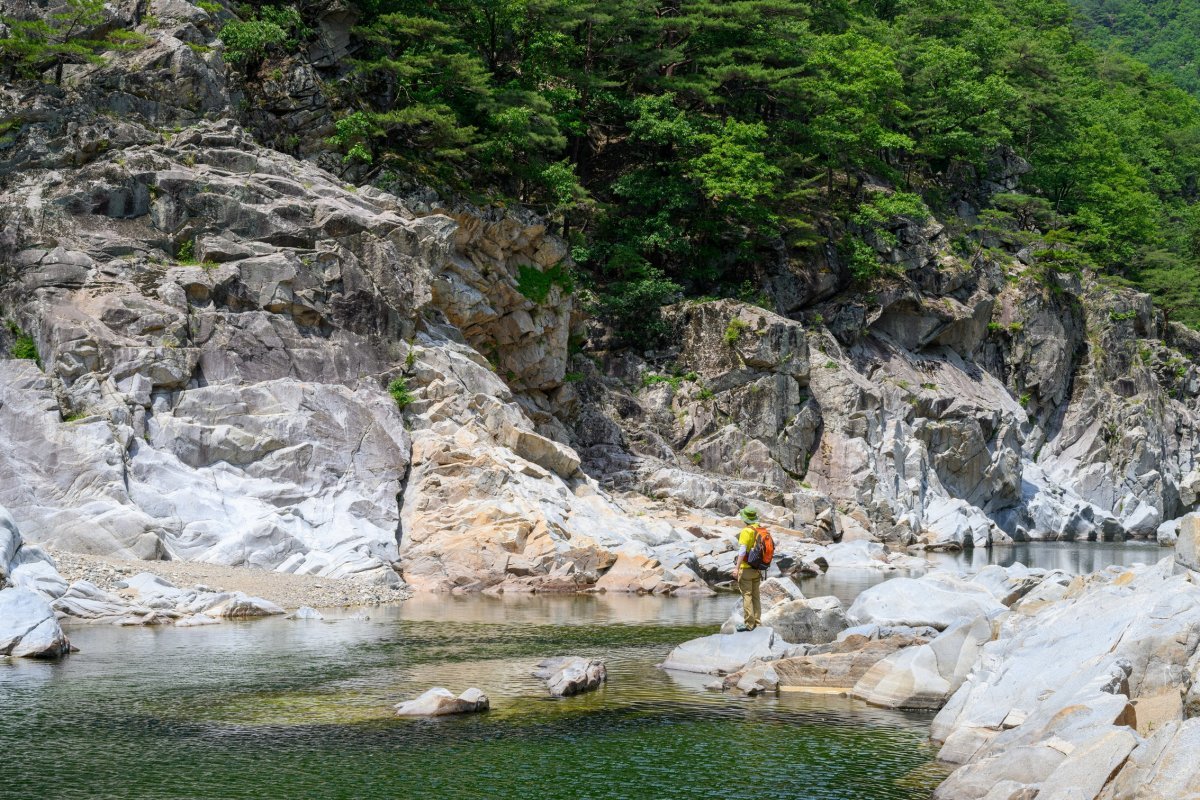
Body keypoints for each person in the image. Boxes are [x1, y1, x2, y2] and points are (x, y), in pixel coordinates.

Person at [734, 507, 763, 632]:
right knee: (756, 596)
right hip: (757, 568)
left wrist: (737, 567)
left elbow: (742, 551)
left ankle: (749, 624)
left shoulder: (746, 531)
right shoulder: (760, 529)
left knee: (747, 595)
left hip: (746, 568)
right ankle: (757, 622)